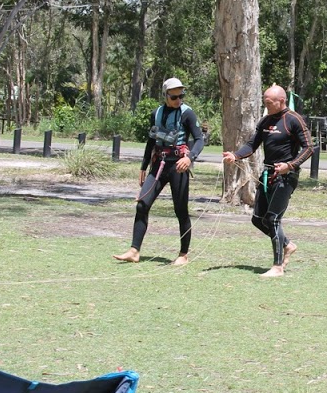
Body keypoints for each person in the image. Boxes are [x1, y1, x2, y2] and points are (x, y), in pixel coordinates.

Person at [222, 84, 313, 277]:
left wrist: (290, 166)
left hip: (286, 176)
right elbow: (252, 144)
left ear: (281, 101)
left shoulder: (294, 120)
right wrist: (236, 156)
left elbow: (308, 148)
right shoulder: (265, 121)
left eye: (269, 102)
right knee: (258, 219)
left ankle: (277, 267)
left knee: (273, 219)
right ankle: (287, 244)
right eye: (265, 101)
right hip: (267, 174)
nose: (266, 104)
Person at [114, 78, 205, 265]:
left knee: (181, 211)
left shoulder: (187, 114)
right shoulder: (156, 113)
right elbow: (151, 141)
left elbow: (199, 139)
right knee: (142, 204)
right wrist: (143, 165)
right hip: (158, 165)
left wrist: (190, 158)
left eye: (181, 96)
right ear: (165, 95)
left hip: (178, 167)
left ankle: (183, 255)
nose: (178, 100)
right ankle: (134, 250)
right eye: (174, 97)